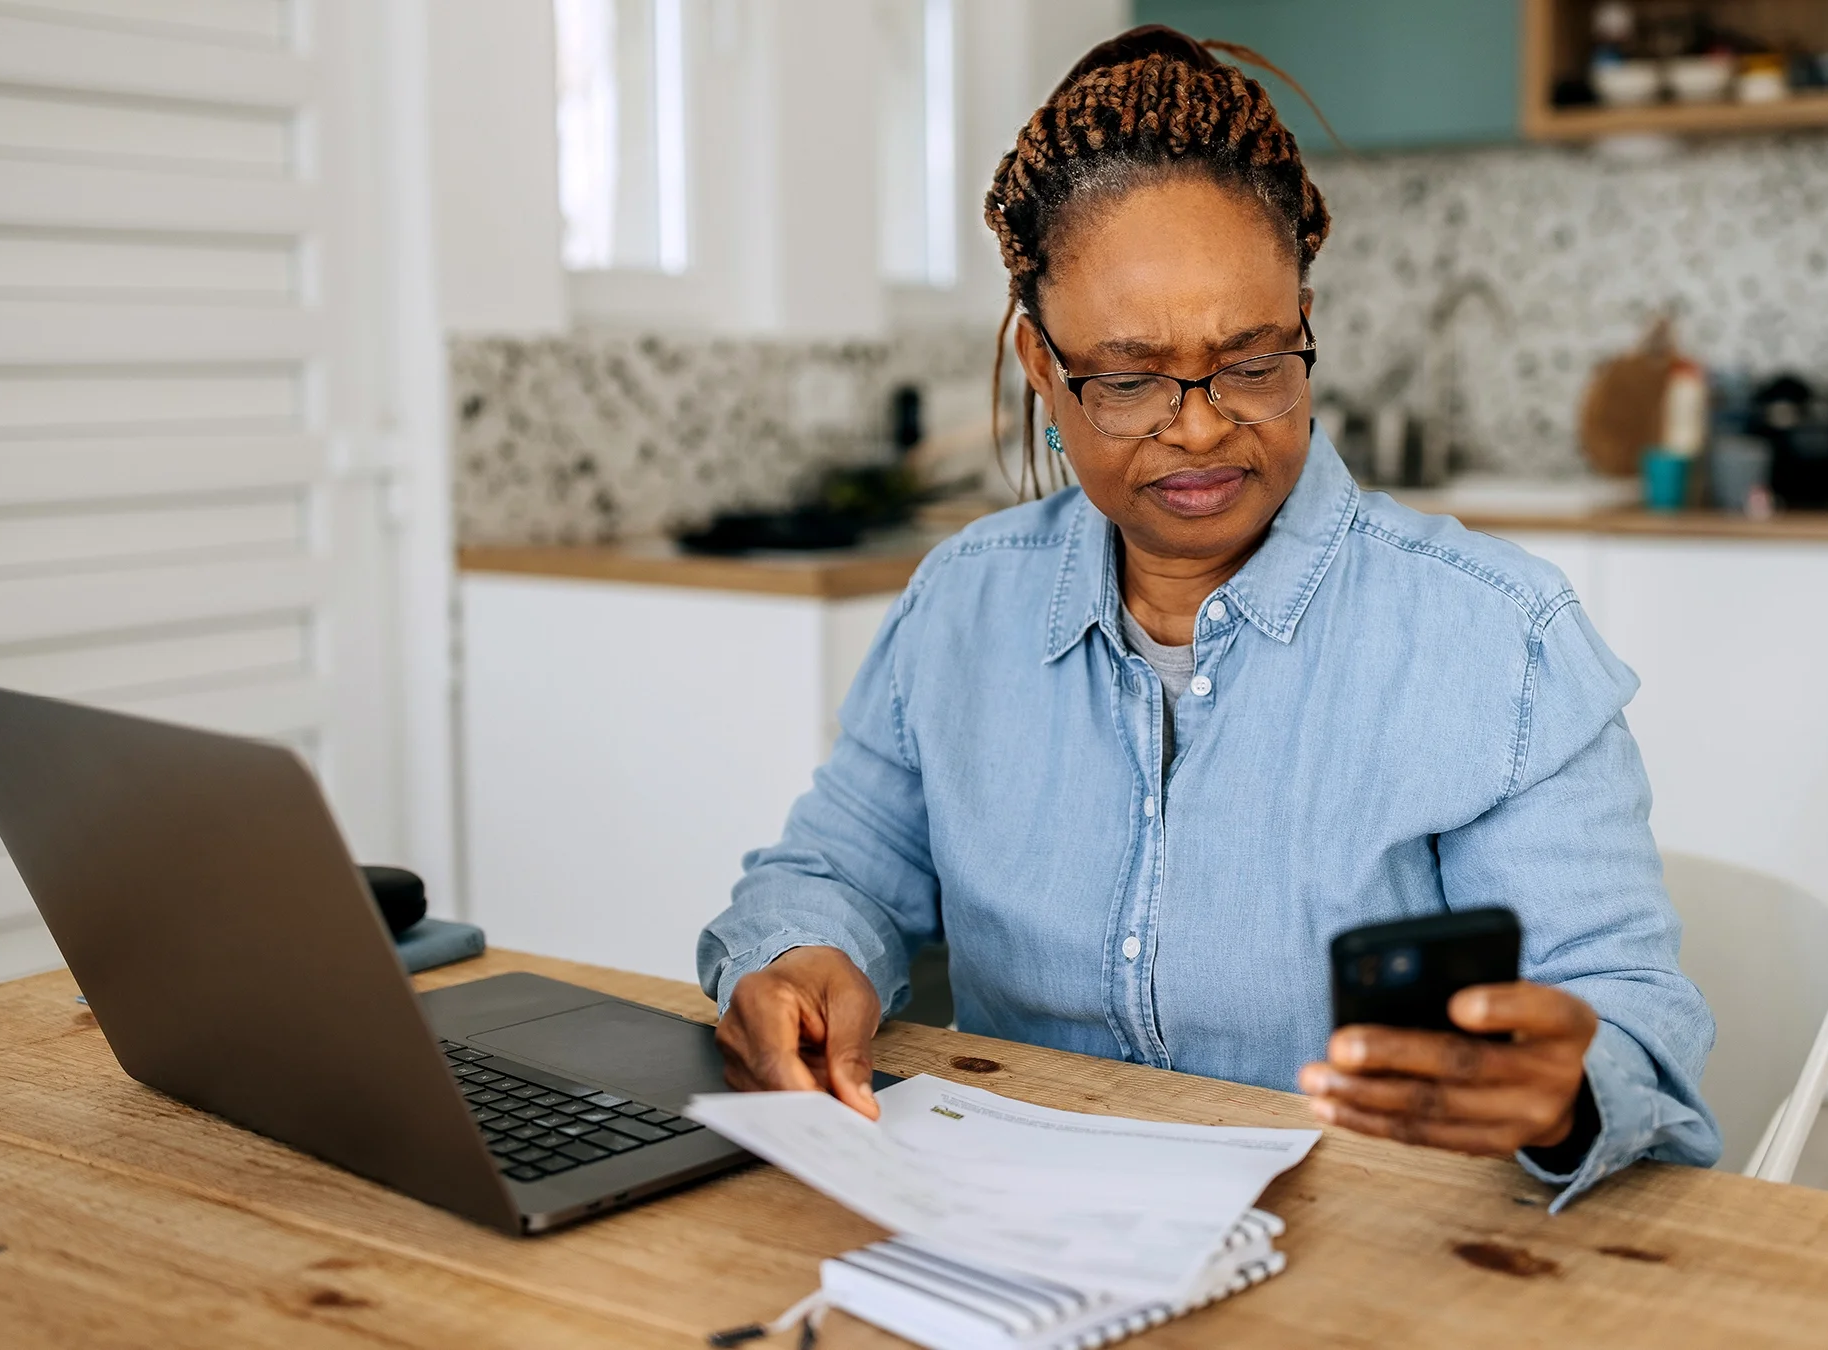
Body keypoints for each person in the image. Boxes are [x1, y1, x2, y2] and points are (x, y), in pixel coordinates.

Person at [697, 25, 1718, 1207]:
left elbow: (1634, 1012)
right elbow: (833, 870)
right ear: (1041, 364)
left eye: (1252, 361)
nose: (1197, 427)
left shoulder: (1501, 641)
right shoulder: (962, 607)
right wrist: (802, 959)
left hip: (1375, 1271)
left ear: (1304, 323)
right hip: (1015, 1246)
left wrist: (1567, 1084)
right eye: (1129, 379)